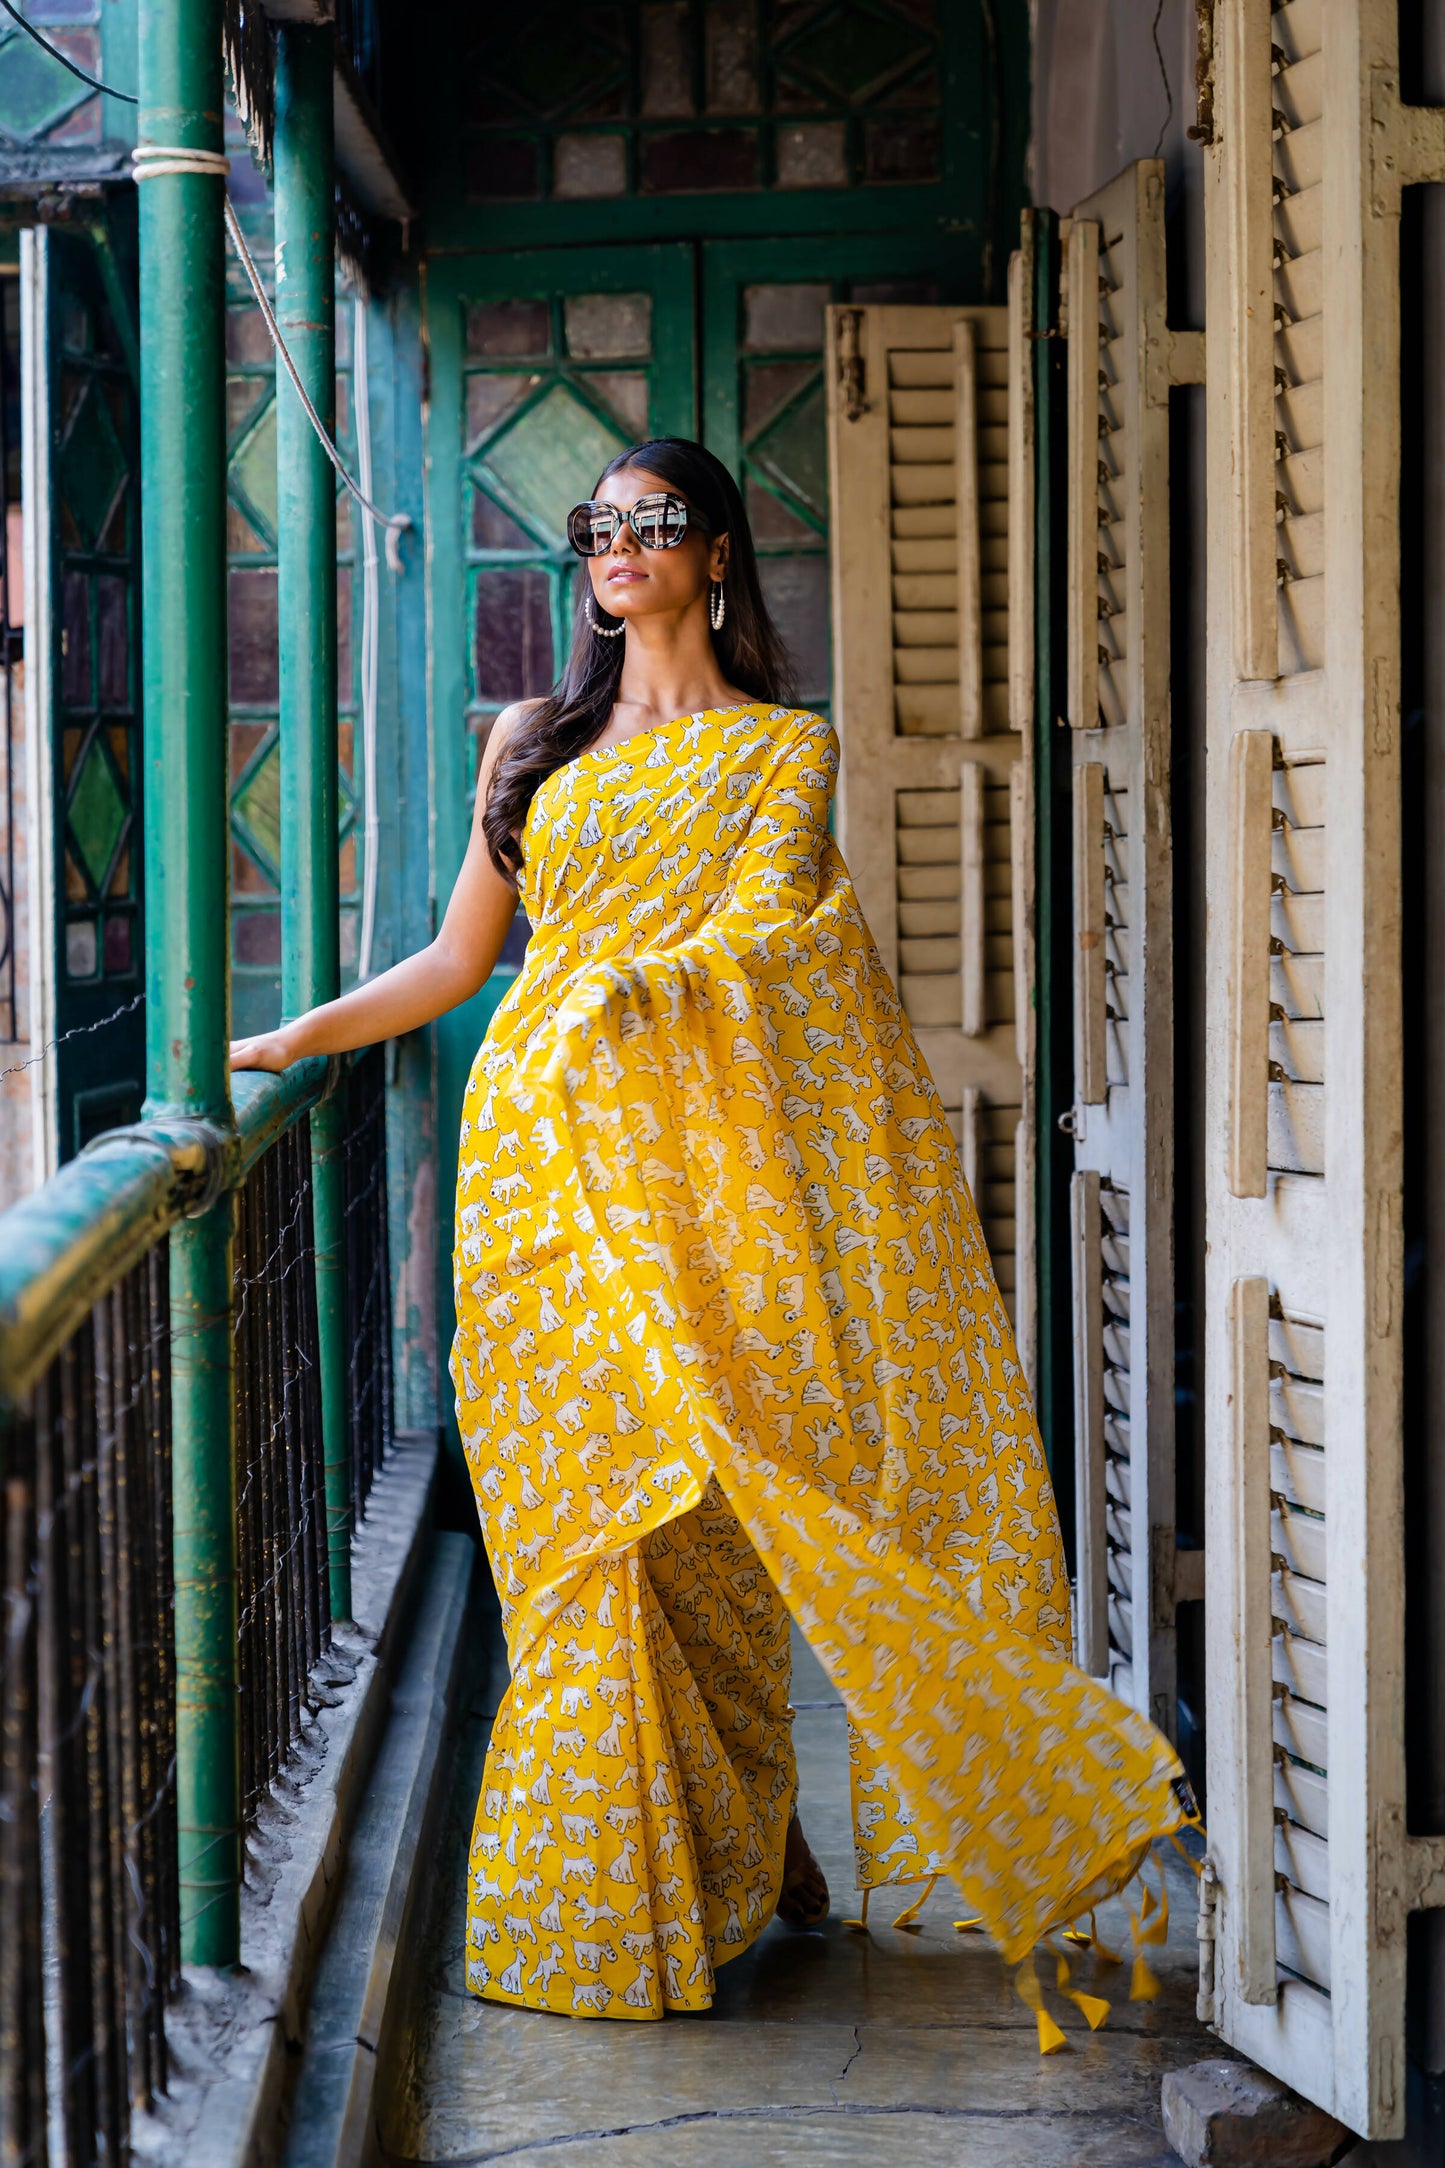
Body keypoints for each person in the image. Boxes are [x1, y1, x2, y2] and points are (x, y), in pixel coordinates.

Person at [232, 437, 1189, 2028]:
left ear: (719, 553)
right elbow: (453, 962)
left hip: (691, 1191)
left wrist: (639, 978)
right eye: (594, 527)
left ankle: (736, 1859)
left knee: (712, 1540)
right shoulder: (530, 742)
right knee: (579, 1547)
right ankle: (607, 1913)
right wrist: (290, 1039)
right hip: (537, 1188)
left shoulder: (776, 755)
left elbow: (773, 933)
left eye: (652, 522)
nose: (617, 547)